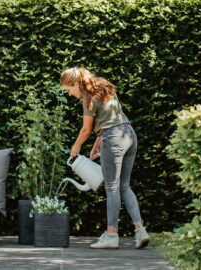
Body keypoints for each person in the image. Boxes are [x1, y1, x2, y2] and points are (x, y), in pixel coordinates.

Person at [60, 66, 150, 249]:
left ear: (76, 83)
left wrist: (76, 147)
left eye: (69, 90)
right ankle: (140, 231)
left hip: (113, 139)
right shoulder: (104, 87)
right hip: (129, 134)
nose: (69, 94)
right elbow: (111, 118)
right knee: (124, 186)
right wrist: (97, 144)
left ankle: (111, 235)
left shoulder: (88, 98)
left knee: (112, 188)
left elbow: (86, 130)